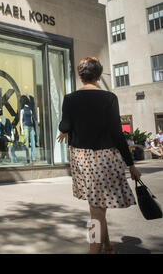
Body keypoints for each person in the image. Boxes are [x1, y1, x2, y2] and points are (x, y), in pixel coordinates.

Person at [57, 56, 141, 254]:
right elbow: (117, 134)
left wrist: (65, 129)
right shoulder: (109, 98)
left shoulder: (70, 99)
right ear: (98, 75)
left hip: (81, 158)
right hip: (105, 158)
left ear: (80, 75)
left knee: (95, 207)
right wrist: (131, 164)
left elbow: (65, 125)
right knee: (98, 207)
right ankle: (104, 248)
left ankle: (98, 249)